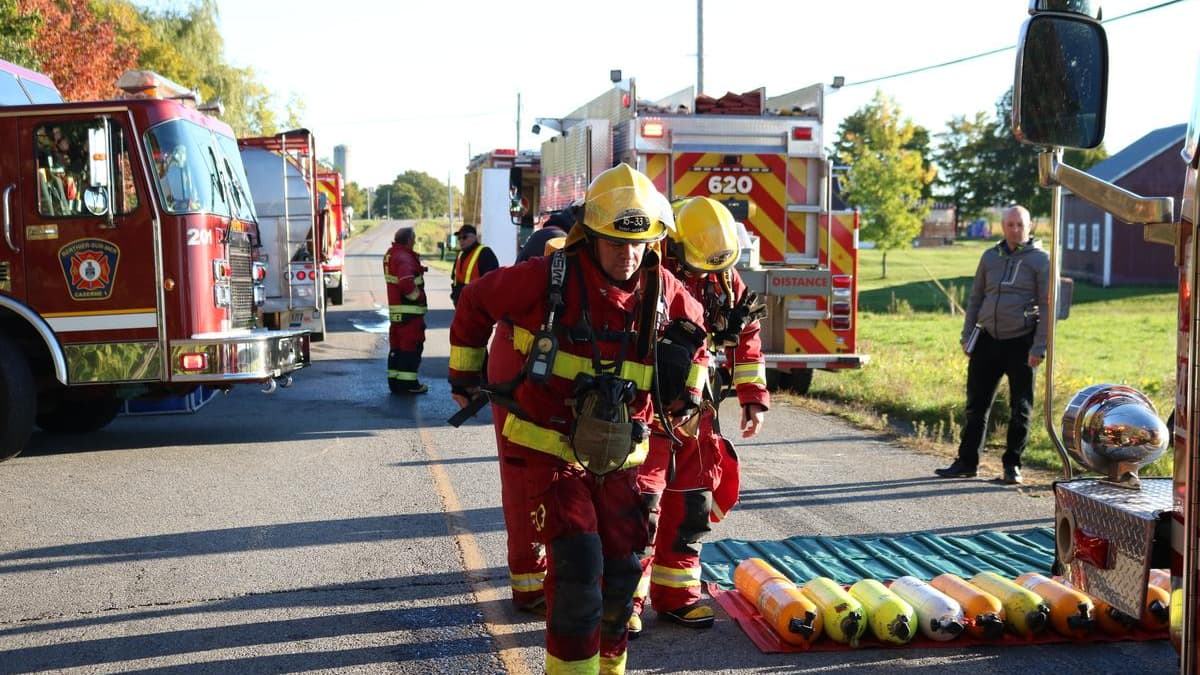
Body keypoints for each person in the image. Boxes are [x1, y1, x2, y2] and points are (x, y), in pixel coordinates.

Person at [449, 164, 709, 674]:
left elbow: (697, 343)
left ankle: (607, 669)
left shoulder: (664, 291)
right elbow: (476, 301)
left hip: (622, 460)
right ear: (589, 234)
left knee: (620, 577)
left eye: (639, 244)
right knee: (577, 568)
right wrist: (464, 378)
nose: (628, 255)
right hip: (551, 451)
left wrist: (688, 396)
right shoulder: (548, 279)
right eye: (615, 242)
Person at [629, 197, 769, 636]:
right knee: (640, 508)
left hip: (699, 412)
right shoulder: (648, 276)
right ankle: (626, 600)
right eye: (700, 266)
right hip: (652, 408)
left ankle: (678, 596)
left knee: (692, 502)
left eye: (718, 267)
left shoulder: (725, 279)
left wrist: (753, 395)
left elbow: (747, 335)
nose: (709, 276)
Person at [485, 220, 570, 616]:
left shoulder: (553, 243)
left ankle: (536, 581)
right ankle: (531, 585)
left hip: (520, 367)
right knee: (527, 484)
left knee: (536, 486)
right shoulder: (554, 249)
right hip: (522, 374)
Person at [936, 205, 1049, 485]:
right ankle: (967, 462)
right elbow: (975, 298)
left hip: (1021, 340)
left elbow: (1048, 306)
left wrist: (1039, 347)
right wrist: (967, 335)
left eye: (1020, 225)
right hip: (986, 339)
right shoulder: (989, 257)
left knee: (1020, 408)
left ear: (1030, 226)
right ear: (1002, 226)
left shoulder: (1041, 260)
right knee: (976, 405)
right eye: (1010, 225)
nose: (1014, 230)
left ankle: (1012, 466)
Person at [384, 227, 429, 394]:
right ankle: (409, 385)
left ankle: (395, 383)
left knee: (397, 348)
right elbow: (406, 283)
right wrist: (418, 298)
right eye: (414, 239)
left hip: (397, 313)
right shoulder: (404, 257)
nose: (415, 242)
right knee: (411, 347)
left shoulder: (392, 254)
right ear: (409, 240)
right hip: (410, 314)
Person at [450, 225, 499, 306]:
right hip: (461, 304)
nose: (461, 240)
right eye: (459, 238)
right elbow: (454, 278)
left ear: (474, 237)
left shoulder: (484, 253)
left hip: (477, 305)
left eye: (464, 237)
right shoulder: (460, 254)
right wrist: (454, 296)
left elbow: (491, 281)